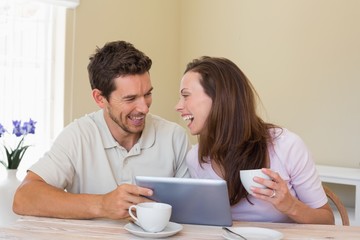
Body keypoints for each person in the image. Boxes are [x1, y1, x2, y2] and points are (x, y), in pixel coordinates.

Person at [13, 40, 190, 220]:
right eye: (130, 99)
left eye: (147, 94)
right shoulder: (78, 136)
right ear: (100, 98)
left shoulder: (174, 137)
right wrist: (101, 205)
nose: (144, 108)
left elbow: (193, 209)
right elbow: (24, 197)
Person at [175, 56, 334, 224]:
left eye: (186, 96)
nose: (178, 106)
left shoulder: (286, 146)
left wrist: (290, 205)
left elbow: (327, 220)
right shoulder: (195, 159)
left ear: (220, 98)